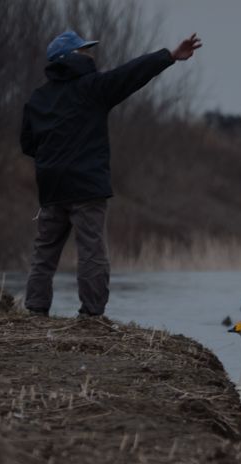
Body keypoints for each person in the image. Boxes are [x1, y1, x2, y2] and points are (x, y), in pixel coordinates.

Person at [20, 30, 202, 317]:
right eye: (83, 51)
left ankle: (35, 310)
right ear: (70, 58)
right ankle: (91, 315)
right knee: (92, 252)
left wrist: (52, 158)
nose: (89, 54)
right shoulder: (92, 88)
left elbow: (28, 144)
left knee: (44, 253)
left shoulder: (38, 99)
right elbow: (129, 74)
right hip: (86, 188)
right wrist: (169, 56)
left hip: (51, 187)